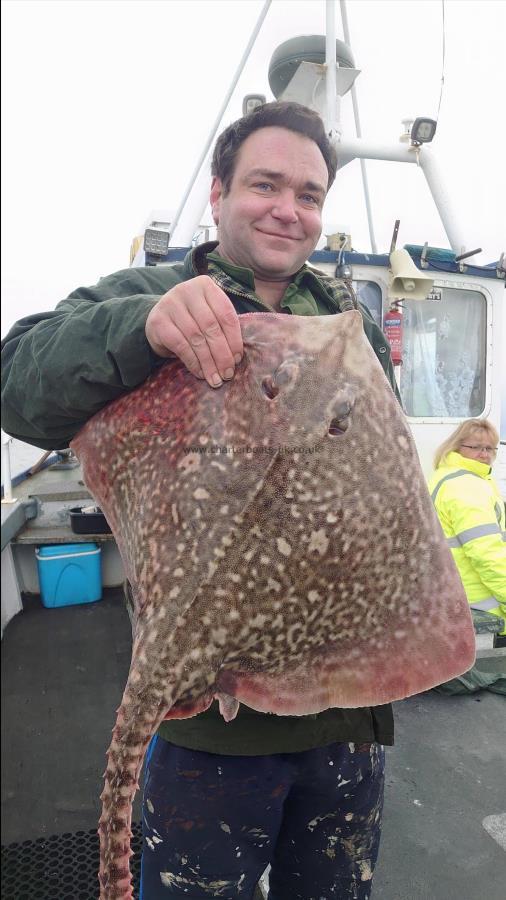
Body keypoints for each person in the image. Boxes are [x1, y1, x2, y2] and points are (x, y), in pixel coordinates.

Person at [2, 101, 400, 900]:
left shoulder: (348, 325)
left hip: (349, 723)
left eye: (310, 195)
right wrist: (143, 326)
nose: (289, 209)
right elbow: (18, 382)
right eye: (265, 184)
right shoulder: (154, 291)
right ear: (218, 195)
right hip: (211, 723)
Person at [428, 419, 506, 649]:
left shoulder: (449, 477)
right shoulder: (465, 486)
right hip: (481, 607)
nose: (485, 454)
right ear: (456, 446)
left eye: (490, 448)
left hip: (455, 600)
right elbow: (487, 555)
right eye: (476, 447)